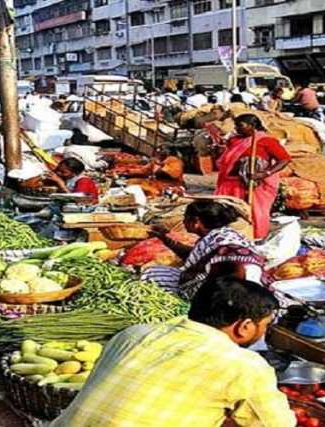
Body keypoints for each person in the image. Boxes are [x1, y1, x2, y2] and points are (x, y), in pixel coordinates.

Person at [51, 276, 295, 427]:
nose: (263, 334)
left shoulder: (134, 333)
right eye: (263, 326)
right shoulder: (244, 365)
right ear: (245, 327)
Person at [145, 200, 266, 300]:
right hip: (253, 285)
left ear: (196, 222)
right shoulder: (224, 233)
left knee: (153, 275)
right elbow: (193, 256)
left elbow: (192, 270)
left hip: (234, 290)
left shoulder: (214, 240)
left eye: (186, 218)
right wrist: (165, 239)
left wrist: (186, 282)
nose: (183, 222)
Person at [214, 114, 292, 239]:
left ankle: (255, 238)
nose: (236, 129)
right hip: (229, 183)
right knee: (226, 213)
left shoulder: (266, 141)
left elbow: (284, 159)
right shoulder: (235, 140)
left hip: (252, 185)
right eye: (236, 126)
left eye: (240, 126)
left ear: (252, 126)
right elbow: (225, 158)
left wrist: (265, 173)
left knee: (254, 213)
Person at [115, 146, 185, 196]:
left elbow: (173, 174)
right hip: (155, 183)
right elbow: (144, 170)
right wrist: (127, 171)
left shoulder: (175, 161)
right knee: (131, 182)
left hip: (171, 185)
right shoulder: (157, 161)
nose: (159, 155)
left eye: (161, 153)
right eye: (158, 153)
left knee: (141, 188)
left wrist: (162, 165)